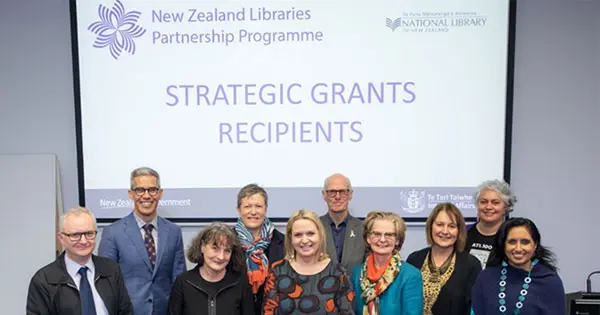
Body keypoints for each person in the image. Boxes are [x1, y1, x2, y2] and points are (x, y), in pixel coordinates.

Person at [99, 167, 186, 315]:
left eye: (152, 190)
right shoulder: (113, 232)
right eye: (140, 190)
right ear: (131, 194)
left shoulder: (174, 232)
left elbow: (179, 280)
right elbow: (106, 282)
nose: (146, 196)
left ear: (160, 194)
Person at [26, 207, 132, 315]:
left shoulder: (111, 270)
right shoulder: (44, 280)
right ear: (61, 238)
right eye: (75, 235)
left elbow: (125, 311)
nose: (83, 241)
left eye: (89, 234)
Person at [263, 209, 355, 315]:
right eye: (298, 235)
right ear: (290, 239)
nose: (305, 240)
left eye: (310, 234)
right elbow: (268, 311)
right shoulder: (278, 271)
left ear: (320, 236)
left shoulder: (337, 272)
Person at [471, 217, 565, 314]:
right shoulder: (486, 278)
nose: (518, 248)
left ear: (535, 245)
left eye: (525, 242)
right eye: (512, 242)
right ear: (503, 245)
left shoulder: (550, 281)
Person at [407, 203, 481, 315]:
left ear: (459, 230)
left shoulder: (471, 265)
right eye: (440, 224)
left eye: (451, 226)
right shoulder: (414, 259)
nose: (445, 231)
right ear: (430, 226)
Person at [168, 223, 253, 315]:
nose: (221, 257)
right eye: (215, 248)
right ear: (202, 247)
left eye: (227, 250)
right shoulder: (184, 282)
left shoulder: (240, 283)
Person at [352, 211, 423, 315]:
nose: (382, 240)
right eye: (376, 234)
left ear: (397, 240)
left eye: (389, 235)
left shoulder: (411, 275)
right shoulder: (357, 273)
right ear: (368, 238)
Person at [233, 183, 285, 314]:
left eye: (258, 206)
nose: (253, 212)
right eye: (247, 206)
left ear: (265, 209)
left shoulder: (284, 242)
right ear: (238, 210)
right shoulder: (227, 242)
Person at [320, 173, 365, 279]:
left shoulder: (363, 229)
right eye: (332, 192)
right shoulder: (314, 228)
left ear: (350, 195)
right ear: (324, 195)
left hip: (355, 292)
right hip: (321, 292)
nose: (338, 197)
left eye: (343, 192)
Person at [466, 180, 517, 269]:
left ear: (506, 207)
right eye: (483, 202)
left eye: (495, 202)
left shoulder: (512, 236)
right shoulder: (462, 232)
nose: (488, 207)